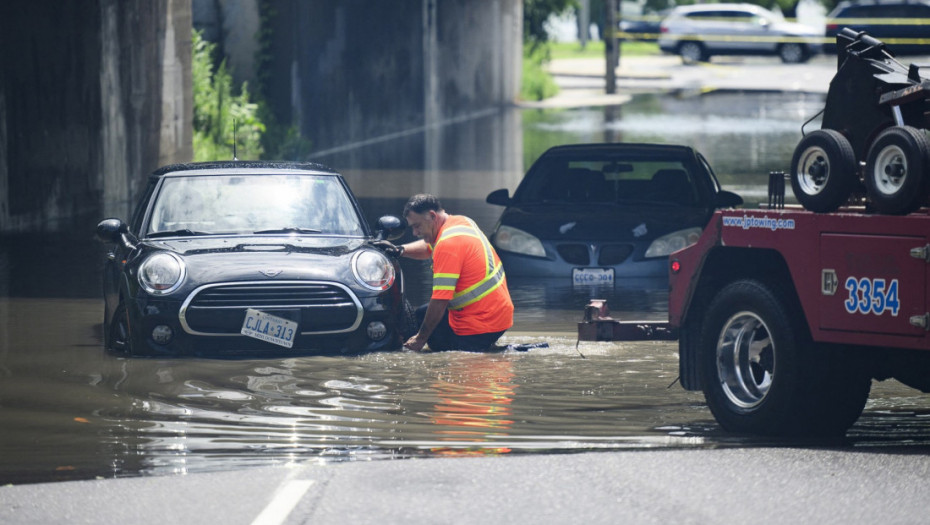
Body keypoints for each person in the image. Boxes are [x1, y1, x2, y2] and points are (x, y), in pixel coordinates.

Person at [374, 194, 513, 352]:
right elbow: (429, 247)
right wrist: (400, 250)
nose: (414, 232)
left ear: (432, 216)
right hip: (497, 312)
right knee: (420, 315)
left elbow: (440, 300)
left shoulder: (448, 245)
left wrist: (420, 339)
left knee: (442, 353)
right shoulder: (461, 221)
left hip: (481, 322)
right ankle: (490, 347)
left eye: (417, 226)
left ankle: (502, 350)